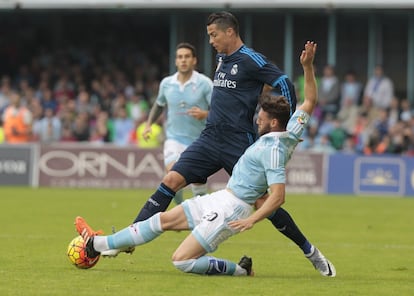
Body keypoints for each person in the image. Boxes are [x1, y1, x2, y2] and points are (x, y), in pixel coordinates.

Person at [75, 41, 336, 277]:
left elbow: (278, 197)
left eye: (262, 116)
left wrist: (251, 220)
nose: (257, 117)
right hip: (222, 192)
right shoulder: (292, 129)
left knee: (181, 260)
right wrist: (308, 66)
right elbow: (310, 100)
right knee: (162, 220)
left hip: (232, 209)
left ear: (273, 122)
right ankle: (98, 244)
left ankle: (246, 270)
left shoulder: (274, 149)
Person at [141, 42, 213, 204]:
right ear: (175, 61)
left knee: (198, 182)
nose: (183, 60)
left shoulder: (205, 83)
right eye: (180, 57)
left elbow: (220, 109)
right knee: (173, 176)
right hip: (174, 138)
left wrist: (205, 113)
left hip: (199, 140)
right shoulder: (167, 83)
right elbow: (159, 105)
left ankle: (201, 215)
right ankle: (182, 210)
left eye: (187, 57)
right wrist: (148, 125)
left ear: (194, 60)